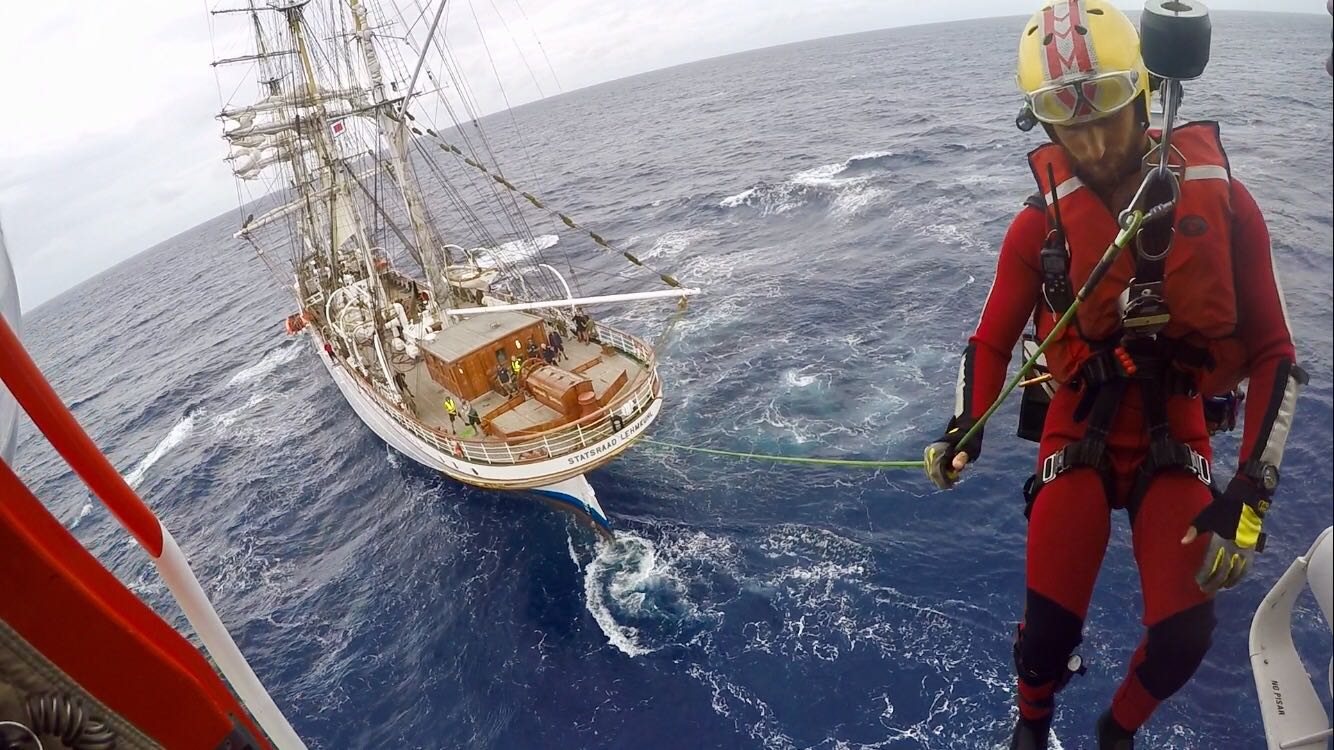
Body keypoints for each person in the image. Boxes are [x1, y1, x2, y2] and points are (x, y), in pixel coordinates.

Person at [921, 3, 1305, 748]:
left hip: (1178, 418)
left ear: (1142, 94)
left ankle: (1114, 729)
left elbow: (1275, 354)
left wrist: (1249, 495)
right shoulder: (1040, 226)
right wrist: (962, 426)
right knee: (1047, 629)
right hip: (1079, 417)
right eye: (1071, 123)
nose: (1094, 143)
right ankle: (1031, 727)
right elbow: (991, 339)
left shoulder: (1224, 203)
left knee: (1185, 634)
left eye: (1109, 114)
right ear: (1045, 127)